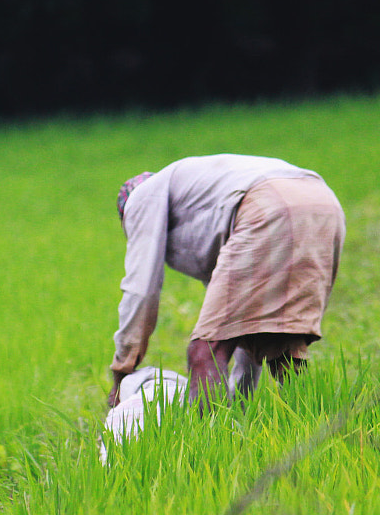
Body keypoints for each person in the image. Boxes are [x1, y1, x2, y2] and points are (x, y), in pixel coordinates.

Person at [107, 154, 346, 408]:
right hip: (323, 204)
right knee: (283, 351)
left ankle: (210, 439)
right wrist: (242, 401)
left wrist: (123, 368)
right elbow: (243, 321)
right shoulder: (201, 196)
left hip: (266, 202)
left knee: (205, 351)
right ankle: (312, 425)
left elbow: (141, 290)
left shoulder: (141, 198)